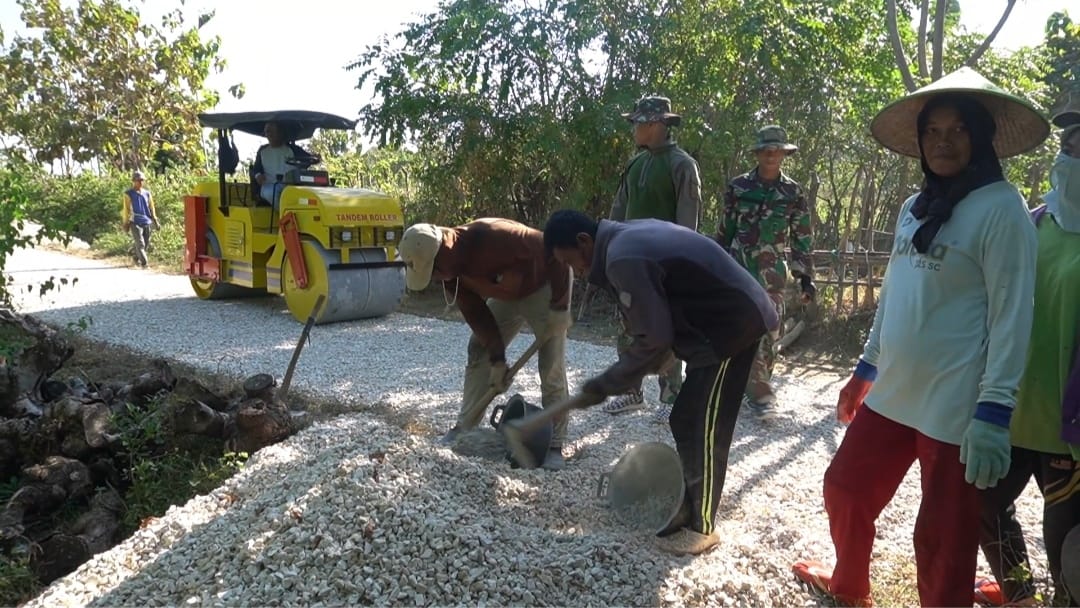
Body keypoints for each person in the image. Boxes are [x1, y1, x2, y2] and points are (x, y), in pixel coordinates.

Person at [791, 67, 1049, 607]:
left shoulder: (1002, 210)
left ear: (979, 137)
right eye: (932, 131)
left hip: (956, 406)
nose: (943, 142)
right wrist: (865, 367)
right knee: (846, 488)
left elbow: (1012, 315)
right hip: (894, 391)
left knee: (943, 538)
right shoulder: (915, 206)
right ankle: (849, 586)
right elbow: (896, 292)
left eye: (957, 130)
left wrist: (995, 411)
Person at [542, 209, 778, 555]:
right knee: (683, 416)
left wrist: (607, 382)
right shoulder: (621, 240)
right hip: (714, 325)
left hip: (733, 324)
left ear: (584, 241)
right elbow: (655, 332)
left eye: (573, 262)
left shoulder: (622, 257)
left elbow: (654, 340)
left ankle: (703, 526)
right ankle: (687, 503)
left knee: (704, 425)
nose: (577, 272)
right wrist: (624, 374)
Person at [974, 101, 1080, 608]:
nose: (1073, 154)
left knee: (1069, 553)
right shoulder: (1031, 224)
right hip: (1012, 414)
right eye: (1070, 143)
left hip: (1070, 431)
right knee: (982, 505)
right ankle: (1017, 593)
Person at [398, 218, 573, 470]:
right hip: (509, 295)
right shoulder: (450, 274)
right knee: (478, 349)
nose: (435, 279)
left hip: (543, 287)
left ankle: (555, 444)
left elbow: (558, 255)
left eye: (434, 271)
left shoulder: (495, 236)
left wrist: (560, 306)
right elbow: (477, 314)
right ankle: (465, 427)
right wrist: (498, 360)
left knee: (551, 362)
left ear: (442, 252)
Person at [603, 95, 702, 424]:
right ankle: (631, 391)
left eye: (639, 123)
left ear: (657, 125)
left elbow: (688, 221)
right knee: (626, 326)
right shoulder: (634, 164)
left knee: (666, 329)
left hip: (663, 263)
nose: (634, 128)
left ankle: (671, 398)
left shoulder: (682, 165)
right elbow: (619, 210)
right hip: (630, 261)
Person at [717, 125, 815, 421]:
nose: (772, 156)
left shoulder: (793, 192)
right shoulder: (738, 188)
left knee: (770, 329)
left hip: (772, 273)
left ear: (785, 155)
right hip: (738, 268)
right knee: (734, 327)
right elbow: (725, 231)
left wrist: (804, 279)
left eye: (778, 152)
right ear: (758, 153)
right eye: (767, 151)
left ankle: (761, 393)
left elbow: (801, 238)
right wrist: (713, 266)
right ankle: (729, 389)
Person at [251, 121, 316, 211]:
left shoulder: (293, 149)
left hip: (290, 185)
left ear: (280, 133)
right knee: (271, 193)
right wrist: (258, 175)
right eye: (267, 132)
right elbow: (256, 169)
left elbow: (308, 159)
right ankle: (286, 216)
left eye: (271, 132)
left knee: (308, 197)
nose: (268, 134)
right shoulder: (263, 151)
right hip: (269, 185)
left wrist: (314, 157)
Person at [121, 170, 158, 268]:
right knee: (140, 243)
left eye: (142, 180)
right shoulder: (128, 194)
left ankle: (135, 257)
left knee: (145, 243)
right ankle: (145, 264)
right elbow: (126, 210)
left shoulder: (147, 193)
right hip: (135, 222)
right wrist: (125, 223)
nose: (141, 182)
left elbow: (151, 207)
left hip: (146, 221)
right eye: (139, 180)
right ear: (134, 181)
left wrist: (155, 219)